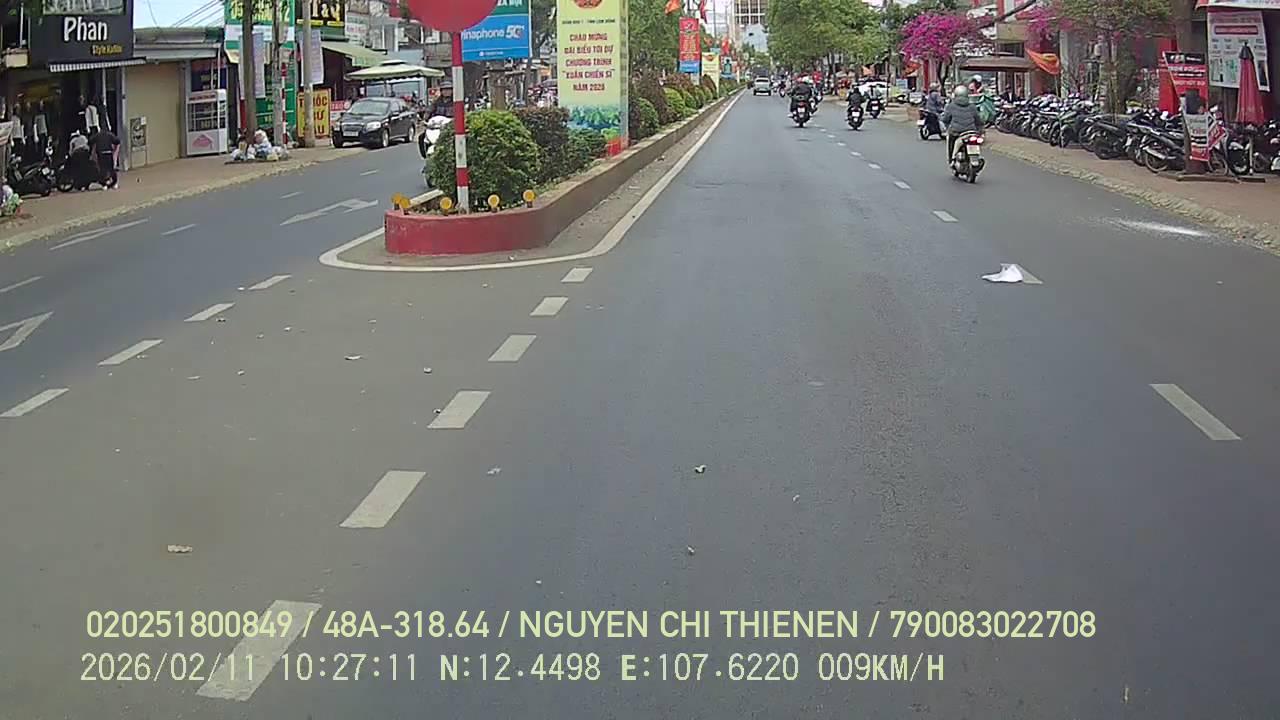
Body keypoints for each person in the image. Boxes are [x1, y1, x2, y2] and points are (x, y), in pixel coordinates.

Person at [941, 85, 982, 161]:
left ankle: (951, 159)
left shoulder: (951, 106)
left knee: (951, 141)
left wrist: (947, 128)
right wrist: (979, 131)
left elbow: (945, 119)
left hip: (956, 132)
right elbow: (978, 120)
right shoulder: (972, 106)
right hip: (971, 131)